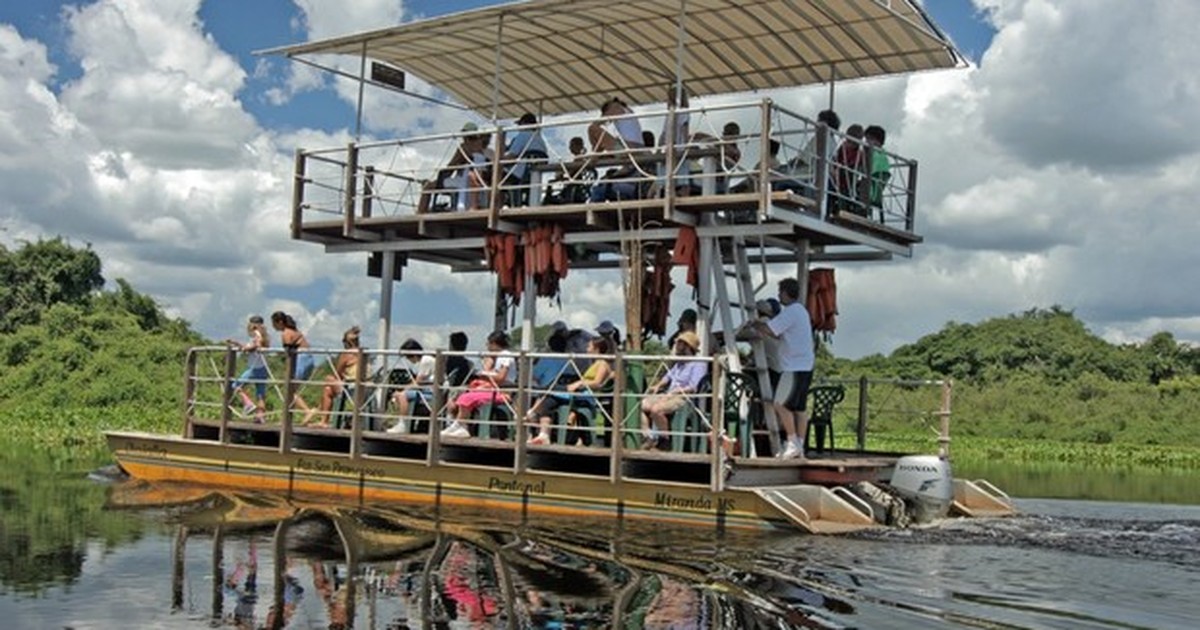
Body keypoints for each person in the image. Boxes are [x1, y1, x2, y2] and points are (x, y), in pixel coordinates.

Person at [751, 277, 814, 459]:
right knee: (800, 408)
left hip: (793, 366)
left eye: (780, 292)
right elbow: (783, 335)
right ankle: (800, 445)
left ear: (786, 293)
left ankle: (792, 441)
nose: (779, 296)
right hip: (806, 364)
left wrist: (755, 323)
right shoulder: (801, 311)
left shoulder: (790, 311)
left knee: (779, 403)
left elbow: (770, 330)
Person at [639, 331, 708, 450]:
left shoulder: (698, 363)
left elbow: (693, 387)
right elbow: (667, 377)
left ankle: (665, 440)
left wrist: (674, 393)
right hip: (668, 394)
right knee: (640, 405)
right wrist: (657, 386)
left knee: (656, 409)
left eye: (679, 343)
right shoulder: (679, 363)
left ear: (687, 346)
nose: (676, 346)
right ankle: (649, 437)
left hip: (684, 398)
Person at [442, 330, 516, 439]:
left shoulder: (505, 356)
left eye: (488, 343)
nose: (487, 346)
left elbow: (501, 378)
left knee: (466, 397)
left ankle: (461, 426)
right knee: (465, 391)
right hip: (497, 389)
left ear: (494, 344)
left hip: (503, 393)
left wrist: (483, 374)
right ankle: (458, 424)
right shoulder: (500, 356)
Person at [417, 122, 491, 213]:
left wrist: (440, 176)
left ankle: (420, 212)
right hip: (476, 182)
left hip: (463, 181)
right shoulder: (481, 149)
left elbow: (451, 166)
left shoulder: (464, 147)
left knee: (428, 187)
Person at [305, 326, 364, 427]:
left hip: (353, 388)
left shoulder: (347, 354)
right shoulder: (363, 353)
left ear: (346, 342)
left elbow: (337, 373)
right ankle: (322, 418)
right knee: (328, 389)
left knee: (328, 379)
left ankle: (320, 414)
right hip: (364, 387)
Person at [271, 310, 316, 417]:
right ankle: (290, 415)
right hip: (309, 359)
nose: (273, 326)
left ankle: (307, 411)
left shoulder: (286, 333)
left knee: (289, 390)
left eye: (274, 323)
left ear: (280, 322)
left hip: (301, 359)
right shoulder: (295, 331)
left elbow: (289, 352)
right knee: (292, 390)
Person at [226, 315, 269, 422]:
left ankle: (248, 404)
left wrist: (248, 348)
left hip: (254, 368)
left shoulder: (257, 333)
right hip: (262, 368)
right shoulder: (264, 335)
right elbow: (253, 346)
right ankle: (260, 417)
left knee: (236, 385)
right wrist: (238, 344)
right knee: (260, 394)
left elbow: (256, 345)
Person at [388, 338, 435, 434]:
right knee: (402, 394)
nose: (407, 359)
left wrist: (402, 391)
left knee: (402, 396)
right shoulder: (426, 359)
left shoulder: (426, 360)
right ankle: (403, 422)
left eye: (407, 356)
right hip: (428, 390)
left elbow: (418, 382)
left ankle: (403, 424)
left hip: (432, 392)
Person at [501, 112, 549, 205]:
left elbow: (512, 156)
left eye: (520, 124)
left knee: (494, 176)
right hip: (534, 173)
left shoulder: (523, 135)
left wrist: (497, 161)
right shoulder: (540, 139)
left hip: (521, 172)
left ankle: (506, 204)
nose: (519, 127)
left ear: (524, 124)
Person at [861, 124, 891, 213]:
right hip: (876, 193)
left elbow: (867, 172)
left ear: (876, 141)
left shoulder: (874, 155)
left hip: (868, 191)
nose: (866, 142)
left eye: (868, 139)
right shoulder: (884, 156)